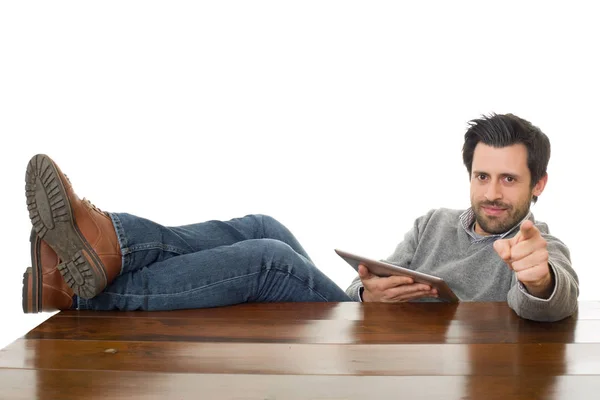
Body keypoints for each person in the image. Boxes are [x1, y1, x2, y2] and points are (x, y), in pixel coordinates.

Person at [22, 153, 352, 313]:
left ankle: (74, 287)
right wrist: (368, 288)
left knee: (272, 261)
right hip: (367, 308)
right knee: (265, 227)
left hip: (379, 328)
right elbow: (375, 277)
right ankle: (113, 247)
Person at [345, 113, 579, 322]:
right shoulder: (431, 224)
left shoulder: (537, 247)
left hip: (461, 362)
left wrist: (540, 283)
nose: (491, 194)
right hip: (397, 349)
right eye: (482, 177)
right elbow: (356, 289)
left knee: (304, 273)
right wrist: (368, 295)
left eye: (509, 179)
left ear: (538, 184)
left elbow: (557, 304)